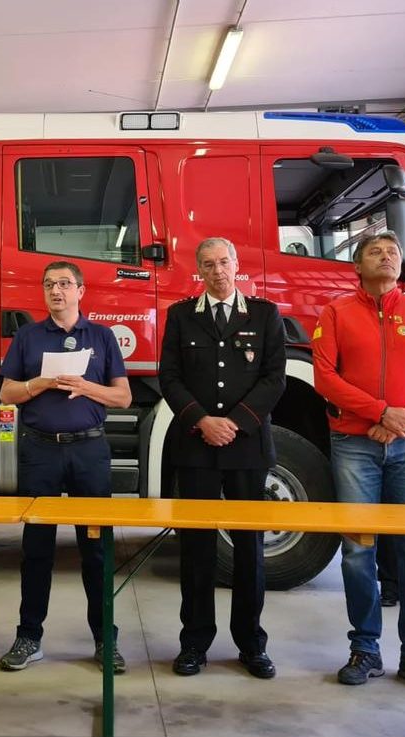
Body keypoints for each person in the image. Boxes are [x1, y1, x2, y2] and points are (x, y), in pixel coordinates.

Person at [312, 231, 405, 695]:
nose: (387, 256)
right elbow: (325, 377)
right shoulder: (335, 312)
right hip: (355, 444)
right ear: (356, 266)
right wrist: (379, 413)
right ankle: (366, 649)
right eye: (375, 251)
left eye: (393, 251)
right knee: (358, 550)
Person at [158, 236, 286, 680]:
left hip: (247, 447)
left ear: (237, 264)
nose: (217, 271)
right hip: (196, 447)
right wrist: (202, 421)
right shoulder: (179, 317)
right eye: (208, 264)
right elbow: (168, 377)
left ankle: (251, 644)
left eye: (224, 262)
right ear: (199, 270)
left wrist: (235, 423)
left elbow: (275, 379)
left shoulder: (265, 315)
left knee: (250, 549)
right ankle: (194, 643)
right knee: (196, 549)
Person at [0, 261, 132, 674]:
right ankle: (29, 637)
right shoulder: (28, 336)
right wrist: (39, 384)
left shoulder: (102, 336)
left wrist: (84, 387)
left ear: (80, 291)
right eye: (49, 285)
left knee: (95, 549)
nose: (56, 291)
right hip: (41, 452)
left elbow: (122, 398)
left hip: (89, 453)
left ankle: (104, 639)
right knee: (36, 549)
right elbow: (6, 392)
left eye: (64, 284)